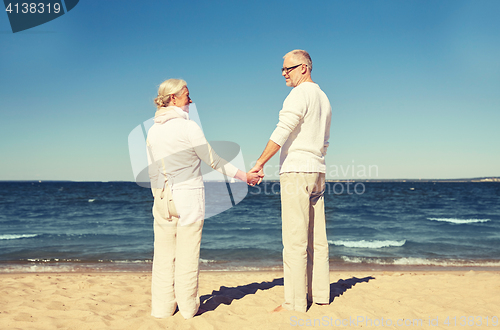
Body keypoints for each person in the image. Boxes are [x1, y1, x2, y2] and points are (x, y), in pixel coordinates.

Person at [147, 78, 262, 319]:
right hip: (187, 199)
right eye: (187, 95)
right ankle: (188, 309)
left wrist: (159, 196)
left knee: (164, 256)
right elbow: (214, 161)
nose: (191, 99)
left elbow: (152, 171)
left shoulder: (153, 130)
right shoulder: (189, 127)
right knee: (188, 255)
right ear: (173, 99)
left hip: (162, 199)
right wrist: (245, 177)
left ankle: (162, 309)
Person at [250, 50, 332, 312]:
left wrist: (260, 162)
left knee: (295, 240)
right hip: (317, 171)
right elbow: (325, 141)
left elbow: (282, 131)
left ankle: (294, 303)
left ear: (304, 68)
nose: (284, 73)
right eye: (283, 69)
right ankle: (320, 295)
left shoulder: (299, 94)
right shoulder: (324, 98)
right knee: (317, 239)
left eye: (289, 68)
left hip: (297, 171)